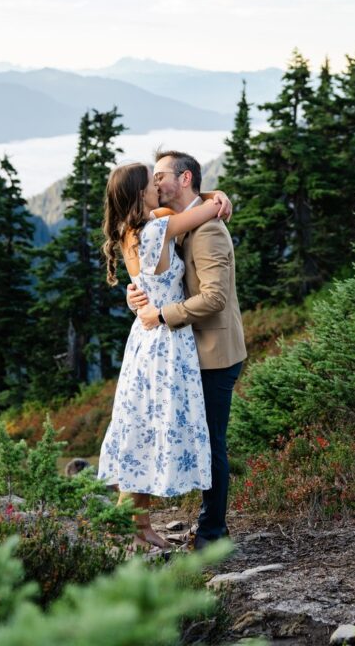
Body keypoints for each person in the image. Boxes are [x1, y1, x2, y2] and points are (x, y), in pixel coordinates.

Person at [98, 161, 231, 550]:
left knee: (140, 427)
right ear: (142, 193)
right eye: (152, 183)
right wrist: (218, 197)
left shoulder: (129, 230)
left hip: (143, 337)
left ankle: (136, 527)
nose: (159, 186)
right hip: (166, 343)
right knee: (152, 430)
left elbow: (166, 214)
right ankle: (132, 528)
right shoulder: (158, 229)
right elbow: (206, 211)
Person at [128, 150, 247, 551]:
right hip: (186, 351)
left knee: (212, 442)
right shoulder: (172, 223)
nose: (155, 183)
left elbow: (214, 298)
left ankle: (213, 534)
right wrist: (140, 298)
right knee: (198, 439)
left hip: (214, 351)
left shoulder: (209, 229)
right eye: (152, 177)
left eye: (160, 175)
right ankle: (200, 526)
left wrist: (161, 315)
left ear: (184, 179)